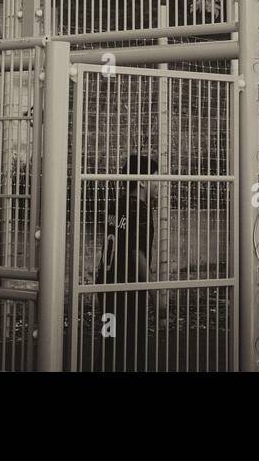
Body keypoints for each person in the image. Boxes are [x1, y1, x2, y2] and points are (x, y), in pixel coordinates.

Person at [94, 153, 159, 371]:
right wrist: (155, 293)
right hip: (127, 289)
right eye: (155, 178)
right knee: (132, 348)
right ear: (142, 182)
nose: (158, 184)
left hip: (106, 283)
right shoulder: (140, 210)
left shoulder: (117, 205)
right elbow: (136, 254)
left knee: (110, 342)